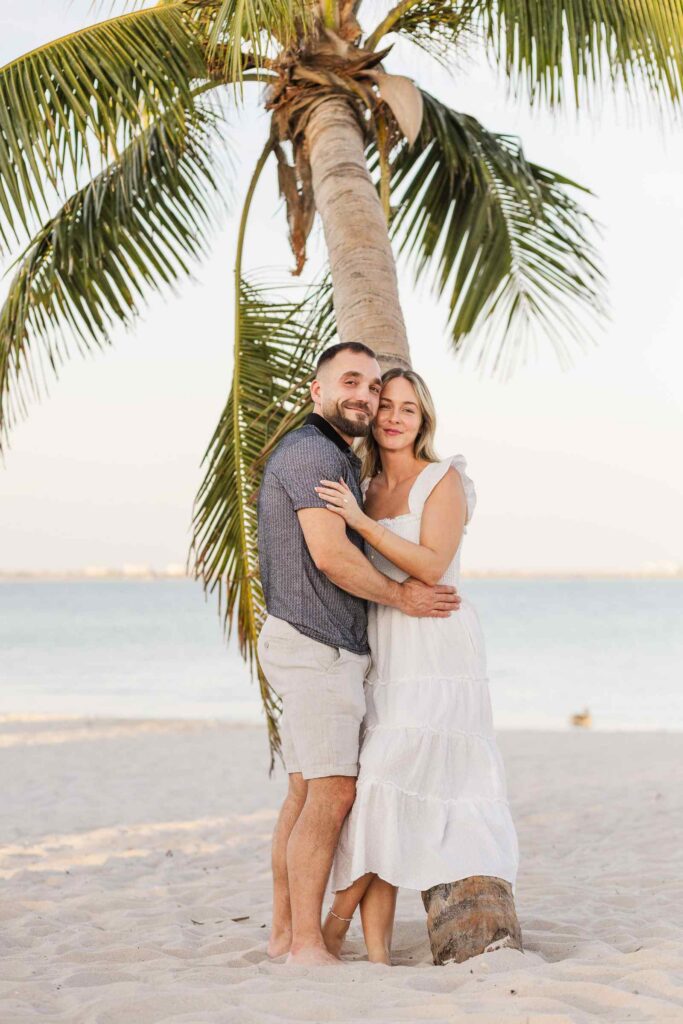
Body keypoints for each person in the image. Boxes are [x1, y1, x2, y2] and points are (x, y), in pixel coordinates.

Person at [256, 343, 461, 966]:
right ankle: (306, 946)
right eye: (352, 382)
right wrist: (403, 597)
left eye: (373, 389)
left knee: (303, 794)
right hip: (317, 646)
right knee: (332, 795)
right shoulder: (317, 454)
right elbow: (331, 555)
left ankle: (285, 935)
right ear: (316, 390)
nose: (365, 398)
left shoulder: (331, 457)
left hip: (309, 641)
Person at [316, 367, 520, 965]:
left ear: (423, 418)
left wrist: (358, 522)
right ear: (373, 414)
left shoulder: (444, 480)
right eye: (387, 405)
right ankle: (376, 953)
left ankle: (335, 925)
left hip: (438, 647)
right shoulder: (365, 484)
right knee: (389, 791)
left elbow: (431, 565)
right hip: (388, 647)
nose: (396, 417)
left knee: (387, 777)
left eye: (410, 408)